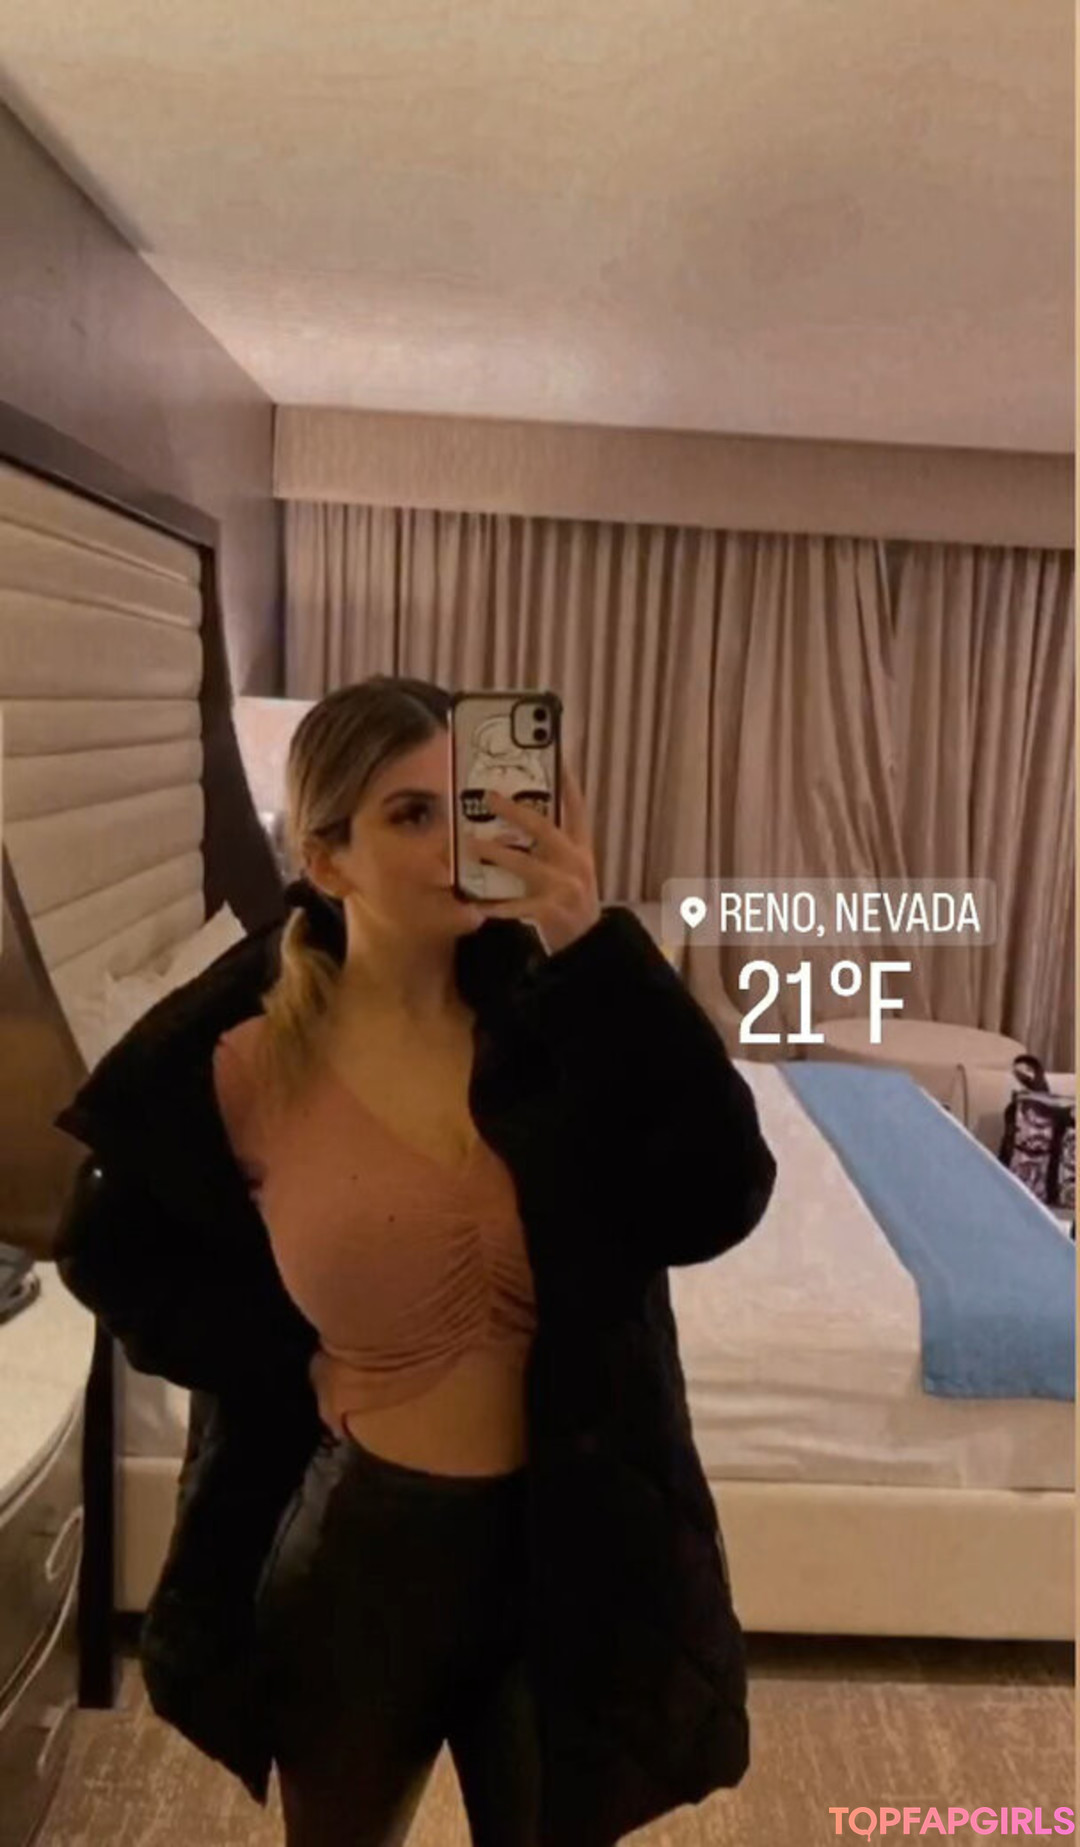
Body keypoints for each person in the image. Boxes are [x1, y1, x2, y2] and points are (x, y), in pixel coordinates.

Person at [53, 675, 777, 1847]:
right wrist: (284, 1360)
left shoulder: (557, 1019)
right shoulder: (247, 1066)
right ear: (327, 858)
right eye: (410, 813)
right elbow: (113, 1249)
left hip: (568, 1541)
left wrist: (592, 941)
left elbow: (721, 1193)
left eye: (471, 804)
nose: (457, 841)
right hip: (365, 1555)